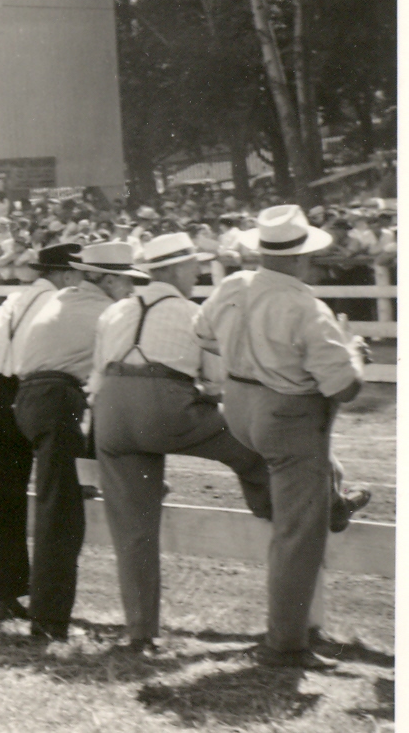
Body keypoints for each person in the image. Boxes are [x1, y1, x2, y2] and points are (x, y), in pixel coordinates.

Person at [196, 205, 365, 670]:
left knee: (309, 482)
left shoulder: (234, 285)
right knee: (297, 535)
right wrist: (354, 355)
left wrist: (246, 352)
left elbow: (203, 332)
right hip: (286, 417)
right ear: (298, 258)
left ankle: (334, 499)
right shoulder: (308, 308)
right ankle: (286, 644)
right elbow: (345, 389)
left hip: (240, 408)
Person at [92, 232, 272, 654]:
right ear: (174, 270)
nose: (198, 272)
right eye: (194, 265)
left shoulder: (115, 311)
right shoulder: (193, 313)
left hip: (112, 411)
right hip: (168, 406)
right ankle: (279, 510)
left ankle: (140, 633)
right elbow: (217, 380)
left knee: (134, 531)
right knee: (255, 449)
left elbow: (100, 373)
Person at [8, 240, 125, 641]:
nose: (130, 290)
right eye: (127, 281)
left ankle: (46, 613)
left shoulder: (62, 301)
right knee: (60, 516)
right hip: (58, 400)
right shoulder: (109, 311)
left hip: (30, 399)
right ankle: (48, 620)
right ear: (108, 278)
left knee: (54, 506)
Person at [0, 242, 80, 620]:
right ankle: (46, 598)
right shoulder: (63, 305)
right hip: (33, 394)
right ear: (67, 274)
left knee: (4, 500)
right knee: (54, 498)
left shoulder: (14, 300)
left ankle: (9, 592)